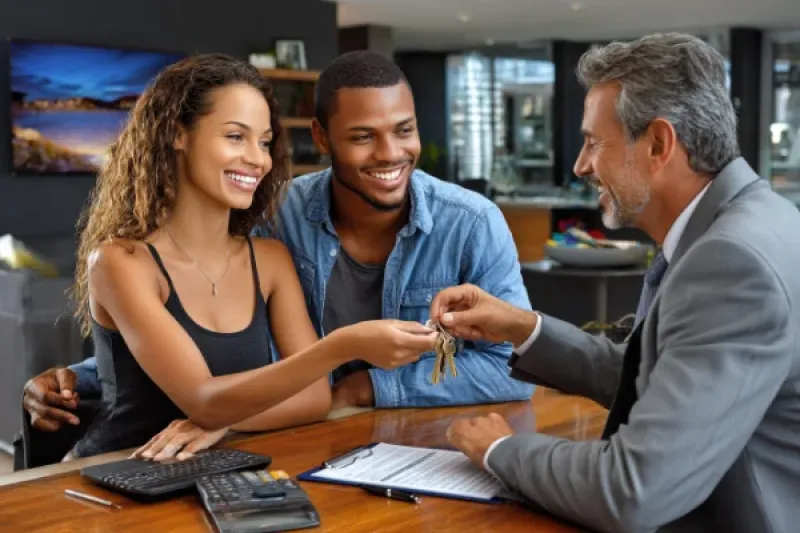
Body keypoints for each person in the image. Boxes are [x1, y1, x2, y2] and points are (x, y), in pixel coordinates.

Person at [23, 50, 533, 457]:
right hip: (150, 461)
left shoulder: (467, 222)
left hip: (383, 444)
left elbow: (512, 366)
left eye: (264, 141)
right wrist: (81, 377)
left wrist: (359, 386)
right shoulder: (277, 216)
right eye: (362, 136)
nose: (390, 154)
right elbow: (178, 360)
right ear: (321, 138)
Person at [431, 33, 800, 533]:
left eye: (593, 142)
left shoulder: (729, 262)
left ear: (658, 144)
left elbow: (632, 490)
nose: (582, 165)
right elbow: (652, 374)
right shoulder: (759, 217)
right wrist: (520, 326)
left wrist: (499, 449)